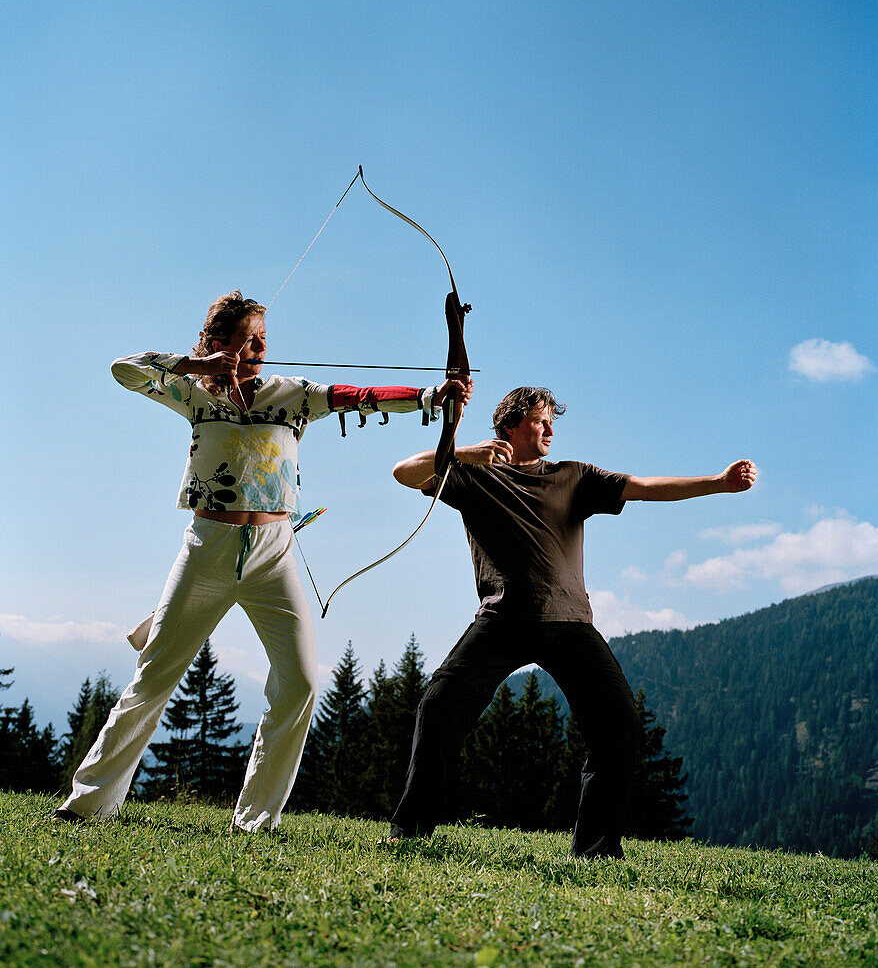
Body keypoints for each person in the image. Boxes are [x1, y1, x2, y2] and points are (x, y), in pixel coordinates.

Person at [54, 290, 470, 832]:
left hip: (274, 555)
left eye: (263, 341)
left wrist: (433, 396)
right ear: (219, 342)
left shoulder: (291, 394)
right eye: (249, 340)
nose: (259, 349)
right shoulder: (195, 394)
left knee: (299, 683)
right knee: (154, 677)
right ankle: (86, 803)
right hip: (207, 549)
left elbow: (359, 394)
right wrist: (196, 365)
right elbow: (123, 369)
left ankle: (255, 818)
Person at [386, 386, 756, 858]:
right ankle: (410, 831)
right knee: (439, 708)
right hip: (501, 620)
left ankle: (597, 849)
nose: (550, 430)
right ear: (511, 426)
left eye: (552, 422)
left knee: (619, 725)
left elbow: (643, 487)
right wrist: (465, 452)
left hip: (569, 623)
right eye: (541, 421)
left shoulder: (573, 476)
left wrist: (718, 483)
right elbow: (404, 472)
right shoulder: (470, 476)